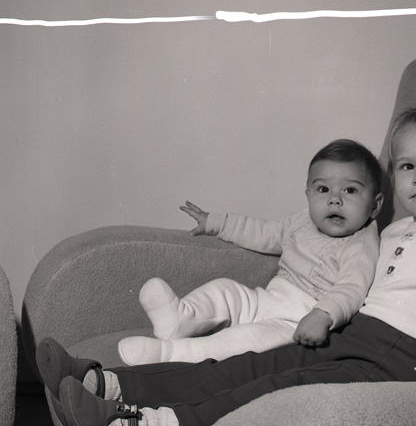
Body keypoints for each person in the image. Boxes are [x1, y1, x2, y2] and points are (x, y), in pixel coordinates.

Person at [37, 98, 416, 426]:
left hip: (402, 361)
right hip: (351, 337)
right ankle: (108, 385)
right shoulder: (392, 232)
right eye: (408, 166)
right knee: (243, 367)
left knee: (269, 392)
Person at [118, 138, 384, 365]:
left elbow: (352, 288)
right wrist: (216, 223)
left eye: (350, 190)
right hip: (264, 299)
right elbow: (264, 232)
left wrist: (323, 316)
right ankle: (182, 317)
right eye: (323, 189)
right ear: (308, 194)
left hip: (295, 322)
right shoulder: (303, 221)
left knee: (241, 341)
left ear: (374, 206)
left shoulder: (361, 244)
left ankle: (170, 354)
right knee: (225, 290)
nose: (334, 199)